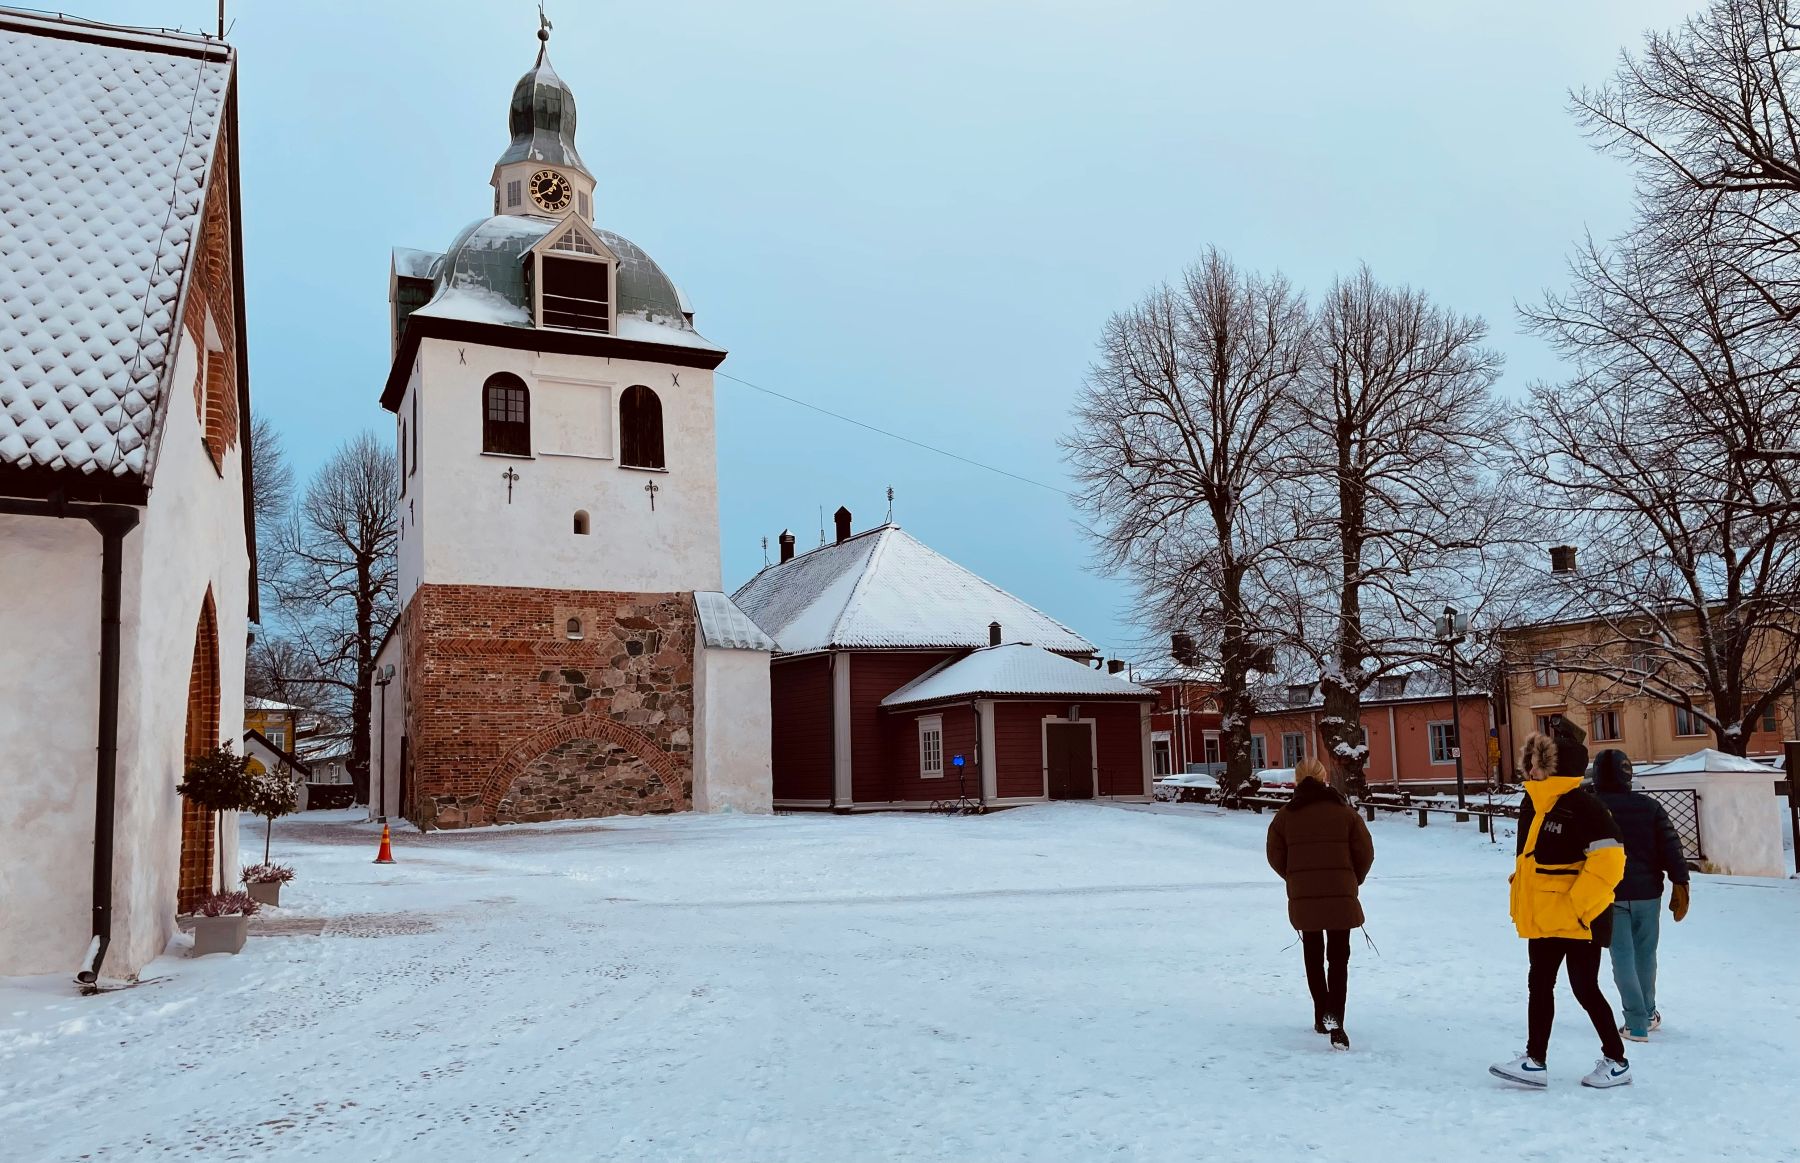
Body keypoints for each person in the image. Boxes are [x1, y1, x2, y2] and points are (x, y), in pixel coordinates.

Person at [1490, 720, 1632, 1089]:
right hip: (1546, 918)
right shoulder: (1534, 806)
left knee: (1585, 988)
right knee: (1539, 983)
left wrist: (1579, 906)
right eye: (1530, 764)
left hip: (1580, 919)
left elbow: (1610, 861)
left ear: (1556, 767)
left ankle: (1617, 1060)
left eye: (1537, 764)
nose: (1530, 770)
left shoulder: (1584, 806)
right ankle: (1535, 1059)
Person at [1266, 757, 1375, 1050]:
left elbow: (1274, 855)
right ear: (1324, 778)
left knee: (1313, 954)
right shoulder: (1345, 812)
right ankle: (1335, 1020)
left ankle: (1320, 1015)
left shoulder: (1286, 816)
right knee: (1339, 958)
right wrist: (1353, 880)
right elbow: (1365, 852)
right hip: (1341, 895)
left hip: (1305, 897)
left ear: (1297, 781)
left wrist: (1295, 878)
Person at [1591, 748, 1691, 1041]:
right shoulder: (1650, 807)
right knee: (1646, 953)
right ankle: (1648, 1012)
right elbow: (1671, 846)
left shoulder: (1592, 807)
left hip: (1609, 894)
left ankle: (1635, 1022)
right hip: (1648, 893)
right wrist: (1680, 881)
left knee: (1621, 955)